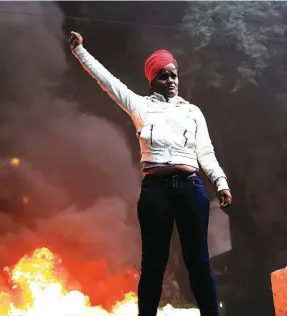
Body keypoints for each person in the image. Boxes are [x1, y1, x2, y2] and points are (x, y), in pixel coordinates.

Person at [69, 31, 232, 316]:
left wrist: (221, 183)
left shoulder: (192, 112)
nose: (170, 81)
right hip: (156, 192)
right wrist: (80, 52)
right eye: (163, 76)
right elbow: (107, 82)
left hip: (191, 189)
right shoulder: (140, 106)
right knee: (154, 264)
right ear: (152, 80)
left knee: (198, 263)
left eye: (173, 75)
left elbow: (205, 151)